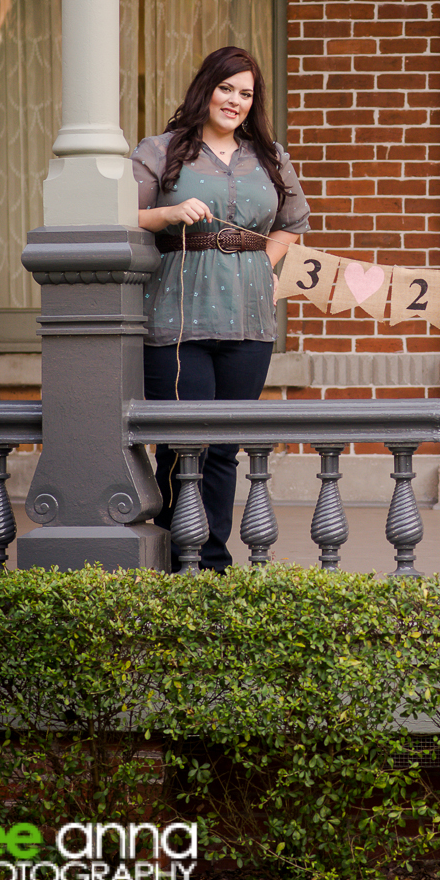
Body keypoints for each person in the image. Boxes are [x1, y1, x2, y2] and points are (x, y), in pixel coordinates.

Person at [132, 45, 311, 573]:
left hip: (250, 322)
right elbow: (117, 212)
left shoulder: (270, 156)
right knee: (183, 448)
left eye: (246, 93)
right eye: (226, 88)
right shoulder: (161, 150)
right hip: (177, 321)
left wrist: (265, 269)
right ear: (206, 89)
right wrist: (166, 213)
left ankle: (210, 565)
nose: (235, 101)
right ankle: (175, 559)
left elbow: (293, 223)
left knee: (225, 447)